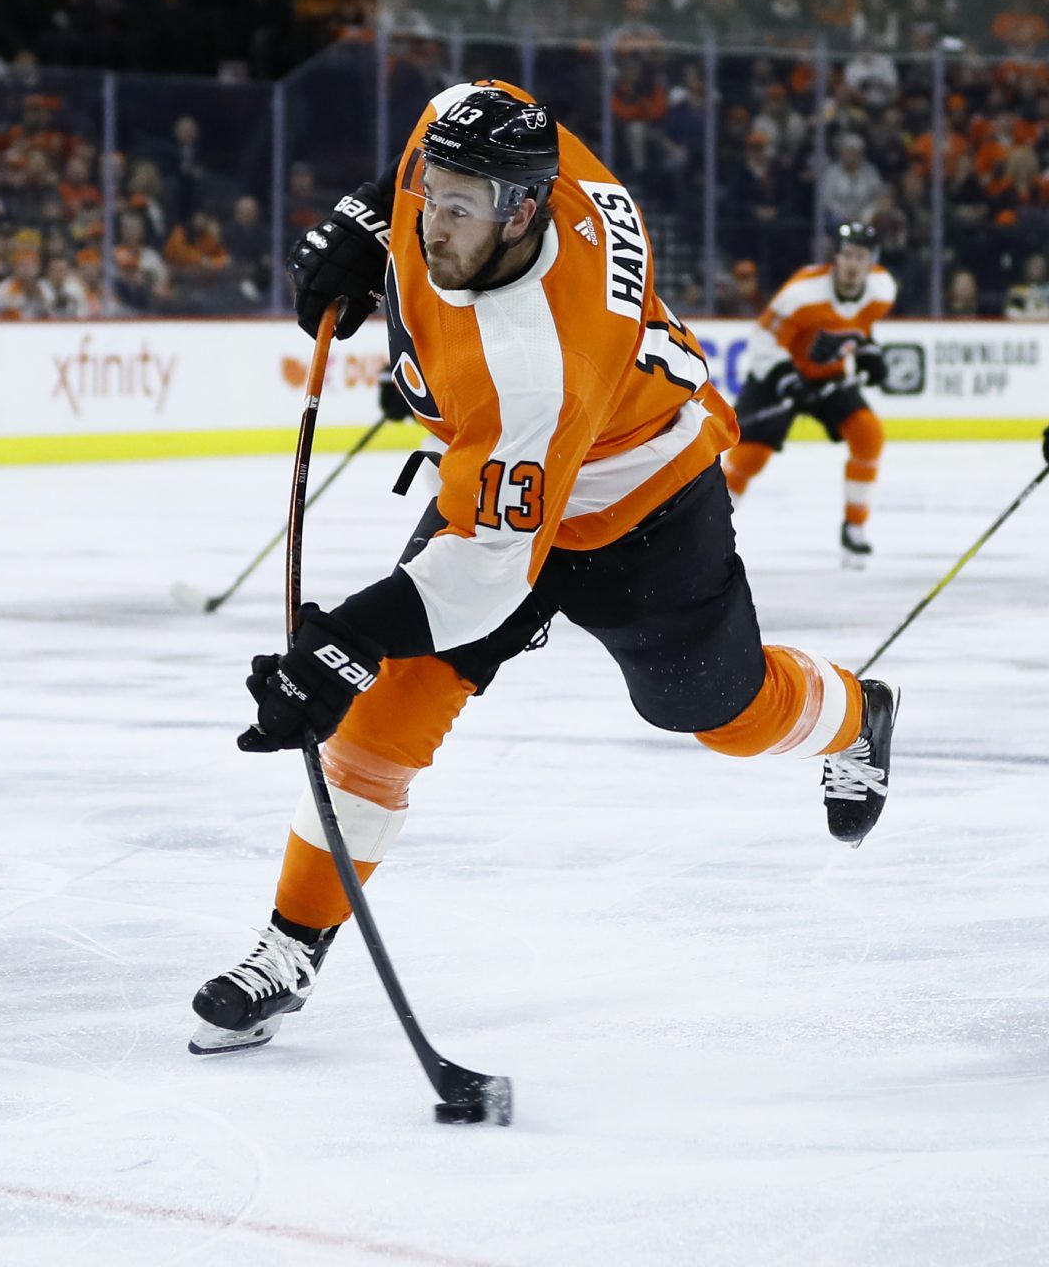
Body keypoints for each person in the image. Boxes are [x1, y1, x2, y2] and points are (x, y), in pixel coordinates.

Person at [187, 82, 898, 1056]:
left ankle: (856, 711)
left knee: (715, 712)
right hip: (501, 476)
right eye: (426, 195)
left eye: (457, 210)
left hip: (637, 500)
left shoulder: (540, 357)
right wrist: (368, 214)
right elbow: (458, 134)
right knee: (383, 718)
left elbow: (485, 572)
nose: (431, 223)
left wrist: (345, 636)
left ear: (524, 211)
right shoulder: (472, 135)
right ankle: (291, 943)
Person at [722, 223, 895, 566]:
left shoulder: (882, 289)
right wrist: (788, 380)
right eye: (845, 254)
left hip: (826, 375)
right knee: (748, 459)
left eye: (859, 256)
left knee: (868, 434)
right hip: (776, 374)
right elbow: (763, 340)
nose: (850, 263)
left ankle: (855, 529)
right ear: (836, 257)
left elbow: (858, 326)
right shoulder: (803, 292)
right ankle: (710, 534)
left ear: (871, 262)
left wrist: (868, 352)